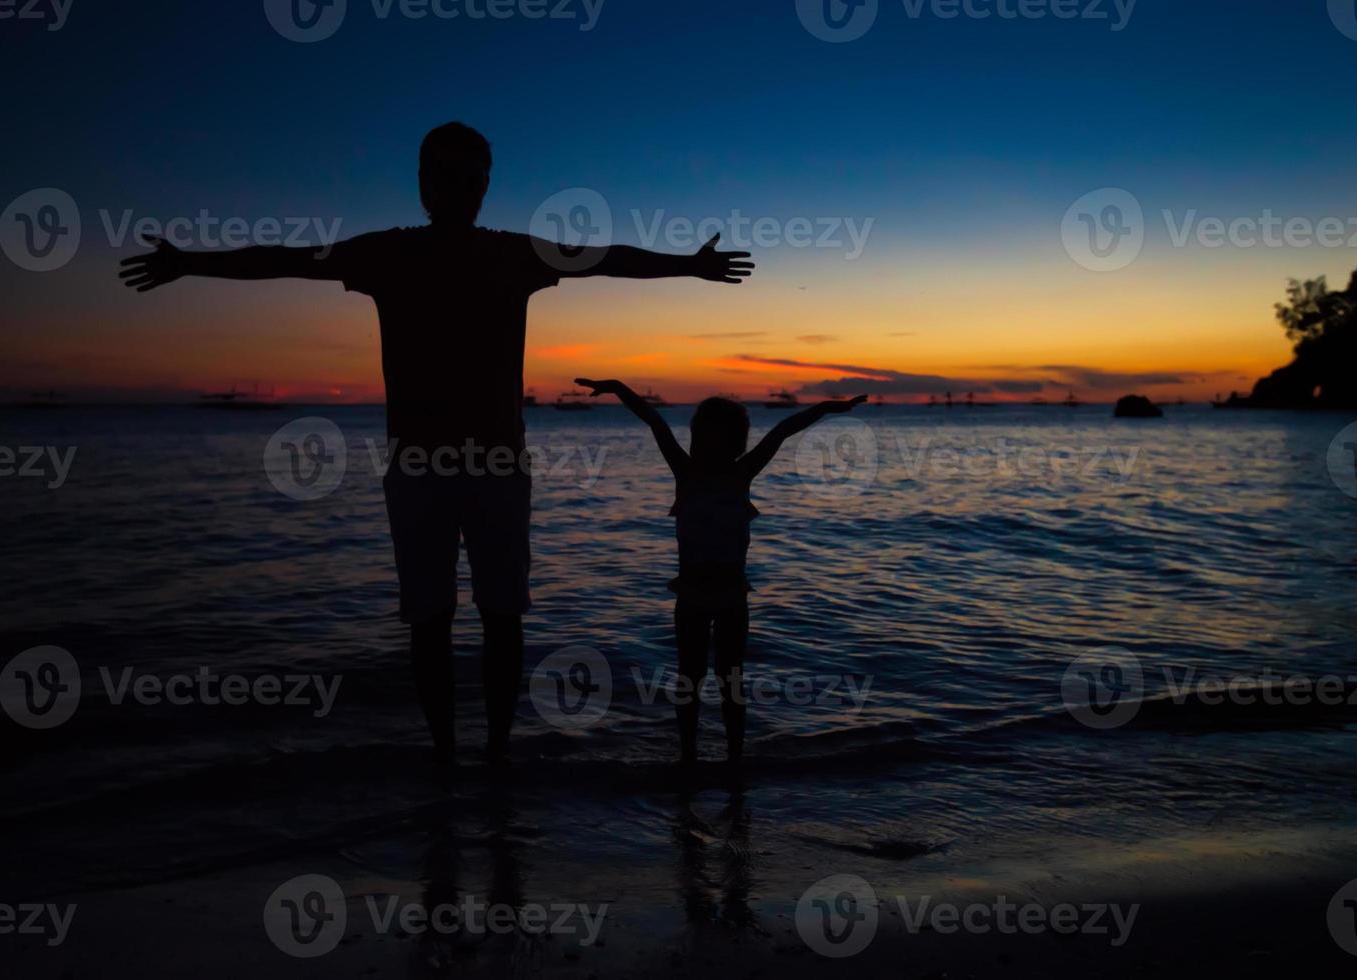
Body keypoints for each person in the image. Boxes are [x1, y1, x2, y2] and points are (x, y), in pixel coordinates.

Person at [119, 122, 754, 765]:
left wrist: (689, 266)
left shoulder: (513, 254)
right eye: (446, 175)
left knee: (502, 617)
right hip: (418, 467)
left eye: (472, 177)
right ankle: (447, 758)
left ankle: (498, 758)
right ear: (424, 183)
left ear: (484, 185)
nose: (460, 188)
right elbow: (285, 258)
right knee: (430, 621)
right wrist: (189, 261)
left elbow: (604, 258)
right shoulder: (388, 254)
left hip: (498, 465)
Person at [574, 378, 865, 763]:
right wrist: (616, 388)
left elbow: (784, 430)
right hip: (691, 595)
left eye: (720, 438)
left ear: (735, 443)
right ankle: (688, 754)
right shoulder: (685, 472)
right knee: (689, 677)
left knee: (731, 679)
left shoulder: (741, 474)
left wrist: (828, 408)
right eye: (704, 437)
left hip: (731, 596)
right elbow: (653, 420)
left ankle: (734, 755)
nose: (709, 445)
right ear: (696, 439)